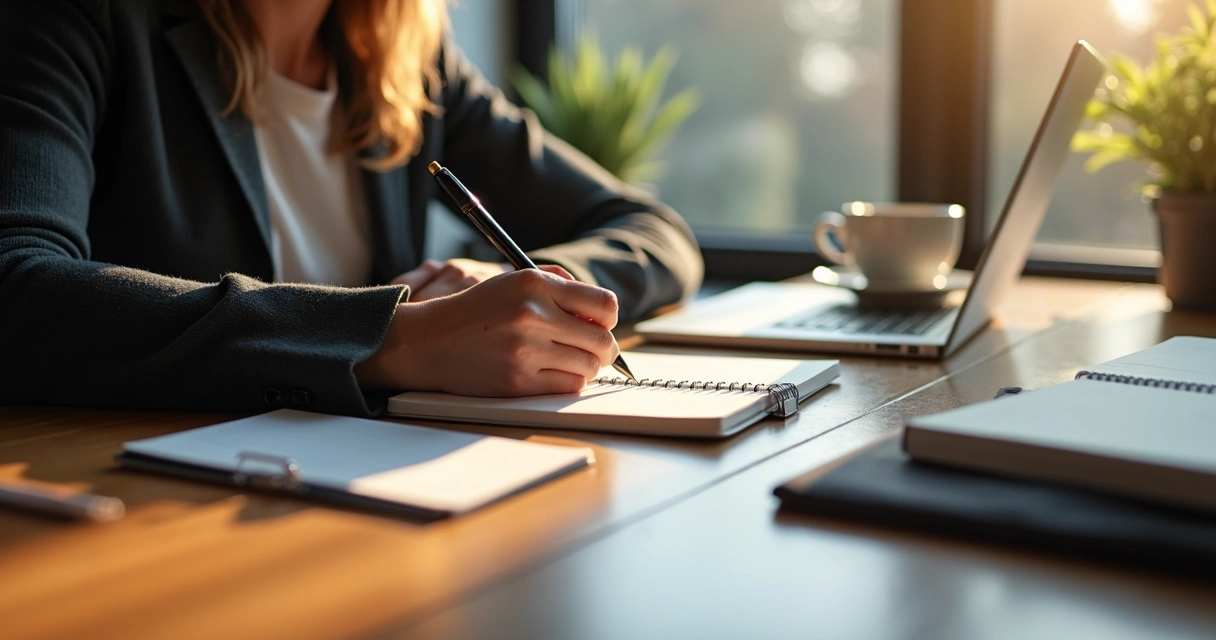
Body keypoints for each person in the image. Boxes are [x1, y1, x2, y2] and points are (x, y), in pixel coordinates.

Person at [0, 0, 703, 416]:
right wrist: (394, 339)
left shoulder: (412, 62)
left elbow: (652, 232)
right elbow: (16, 289)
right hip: (147, 503)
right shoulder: (81, 20)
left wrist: (524, 293)